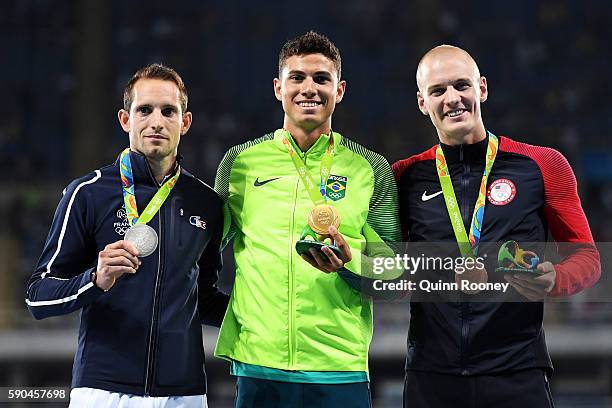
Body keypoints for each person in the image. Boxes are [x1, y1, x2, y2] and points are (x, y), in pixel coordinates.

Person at [392, 45, 601, 407]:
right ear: (423, 102)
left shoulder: (542, 165)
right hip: (432, 378)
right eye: (438, 91)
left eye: (462, 85)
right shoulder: (403, 177)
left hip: (517, 373)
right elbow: (389, 270)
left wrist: (555, 278)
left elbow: (587, 257)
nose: (453, 98)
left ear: (482, 89)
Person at [213, 31, 401, 407]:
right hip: (257, 363)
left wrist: (351, 265)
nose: (308, 88)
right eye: (297, 77)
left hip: (339, 364)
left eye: (321, 78)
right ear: (278, 88)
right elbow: (204, 247)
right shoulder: (240, 163)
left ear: (340, 89)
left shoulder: (372, 168)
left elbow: (393, 269)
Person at [26, 64, 228, 408]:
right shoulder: (88, 194)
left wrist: (265, 312)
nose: (156, 121)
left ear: (185, 122)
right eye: (144, 110)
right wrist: (95, 280)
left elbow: (203, 299)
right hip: (103, 391)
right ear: (125, 119)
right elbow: (37, 297)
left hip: (185, 393)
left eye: (169, 111)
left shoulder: (206, 203)